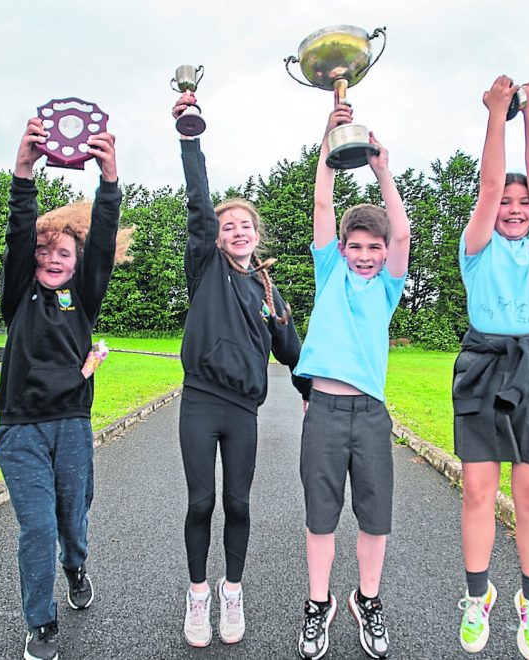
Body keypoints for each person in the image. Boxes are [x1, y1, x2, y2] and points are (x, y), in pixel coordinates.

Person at [171, 90, 311, 648]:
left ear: (256, 235)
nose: (235, 230)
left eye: (244, 225)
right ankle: (199, 594)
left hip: (243, 409)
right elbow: (198, 201)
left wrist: (309, 387)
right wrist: (191, 138)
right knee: (202, 501)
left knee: (238, 503)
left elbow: (292, 352)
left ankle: (233, 592)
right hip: (201, 400)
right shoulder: (205, 267)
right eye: (226, 226)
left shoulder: (268, 289)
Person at [0, 117, 126, 660]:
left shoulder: (84, 297)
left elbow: (100, 242)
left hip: (71, 426)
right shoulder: (17, 298)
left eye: (63, 254)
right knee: (36, 527)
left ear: (77, 265)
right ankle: (40, 624)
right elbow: (20, 231)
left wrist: (109, 178)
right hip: (20, 431)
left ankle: (76, 565)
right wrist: (24, 171)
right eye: (44, 253)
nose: (52, 259)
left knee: (73, 516)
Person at [451, 76, 529, 660]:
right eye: (507, 202)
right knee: (478, 491)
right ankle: (478, 597)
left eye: (524, 204)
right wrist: (498, 115)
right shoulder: (477, 245)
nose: (515, 207)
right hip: (481, 366)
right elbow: (492, 182)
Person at [293, 101, 410, 660]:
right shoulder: (330, 272)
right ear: (341, 249)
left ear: (384, 254)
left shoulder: (387, 287)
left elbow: (404, 231)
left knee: (374, 516)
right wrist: (330, 138)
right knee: (321, 516)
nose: (365, 255)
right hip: (324, 411)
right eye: (356, 246)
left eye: (374, 248)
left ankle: (368, 599)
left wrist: (383, 169)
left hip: (369, 415)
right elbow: (321, 200)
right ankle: (319, 604)